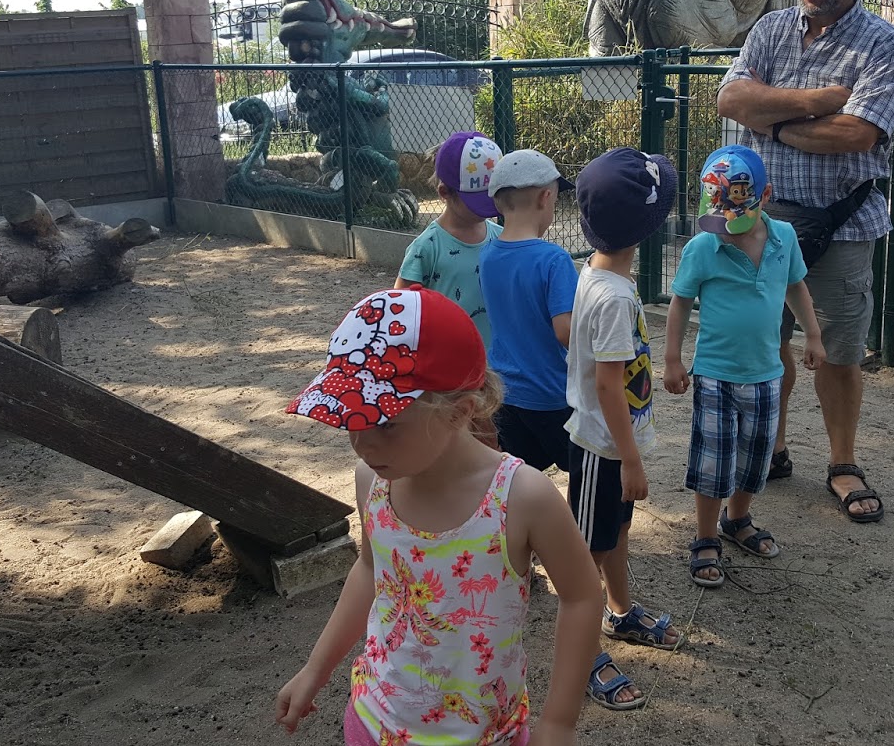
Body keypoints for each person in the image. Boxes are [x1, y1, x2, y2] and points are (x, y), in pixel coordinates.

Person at [275, 286, 604, 746]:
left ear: (458, 413)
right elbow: (371, 569)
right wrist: (316, 668)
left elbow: (582, 596)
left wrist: (559, 722)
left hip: (485, 734)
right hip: (373, 722)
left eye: (385, 422)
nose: (362, 443)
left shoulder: (520, 497)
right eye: (353, 417)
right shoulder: (373, 482)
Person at [715, 0, 894, 523]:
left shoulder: (886, 44)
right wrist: (817, 102)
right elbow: (730, 98)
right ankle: (771, 449)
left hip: (841, 223)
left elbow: (856, 134)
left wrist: (771, 120)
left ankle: (842, 463)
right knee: (764, 342)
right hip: (761, 223)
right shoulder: (771, 29)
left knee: (839, 352)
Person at [663, 145, 825, 586]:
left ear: (765, 196)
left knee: (756, 457)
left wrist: (813, 334)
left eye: (735, 217)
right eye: (718, 215)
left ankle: (737, 519)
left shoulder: (783, 237)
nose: (726, 227)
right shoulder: (704, 245)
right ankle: (704, 536)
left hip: (766, 374)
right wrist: (673, 359)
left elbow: (796, 286)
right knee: (713, 461)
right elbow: (680, 302)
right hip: (714, 373)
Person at [564, 146, 681, 710]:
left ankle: (619, 612)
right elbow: (610, 386)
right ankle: (583, 653)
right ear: (644, 228)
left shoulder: (602, 272)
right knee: (587, 552)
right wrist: (631, 459)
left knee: (615, 534)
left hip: (615, 442)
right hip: (603, 448)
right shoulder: (611, 295)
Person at [395, 131, 505, 447]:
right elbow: (402, 306)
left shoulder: (499, 236)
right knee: (461, 436)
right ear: (445, 192)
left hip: (496, 362)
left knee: (490, 437)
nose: (488, 208)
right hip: (449, 364)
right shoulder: (427, 247)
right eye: (477, 201)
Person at [478, 150, 579, 473]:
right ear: (545, 198)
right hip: (550, 393)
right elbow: (565, 331)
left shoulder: (488, 254)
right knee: (582, 472)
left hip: (505, 393)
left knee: (516, 475)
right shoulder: (554, 259)